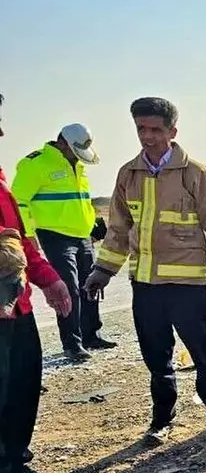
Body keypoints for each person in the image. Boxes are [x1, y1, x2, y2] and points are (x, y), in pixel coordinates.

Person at [84, 97, 206, 446]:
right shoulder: (129, 174)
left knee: (204, 354)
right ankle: (161, 419)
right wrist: (103, 270)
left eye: (156, 129)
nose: (148, 136)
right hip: (146, 287)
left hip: (188, 286)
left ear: (173, 131)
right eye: (142, 129)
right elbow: (119, 229)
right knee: (157, 358)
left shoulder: (195, 174)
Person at [0, 92, 75, 473]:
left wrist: (48, 278)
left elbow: (18, 239)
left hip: (15, 304)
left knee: (23, 387)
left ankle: (15, 471)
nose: (3, 132)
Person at [11, 122, 115, 361]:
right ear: (62, 143)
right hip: (54, 235)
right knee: (67, 288)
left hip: (83, 235)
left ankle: (91, 335)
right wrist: (27, 236)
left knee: (90, 284)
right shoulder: (35, 164)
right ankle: (72, 343)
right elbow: (20, 202)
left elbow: (80, 201)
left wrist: (93, 226)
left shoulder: (79, 166)